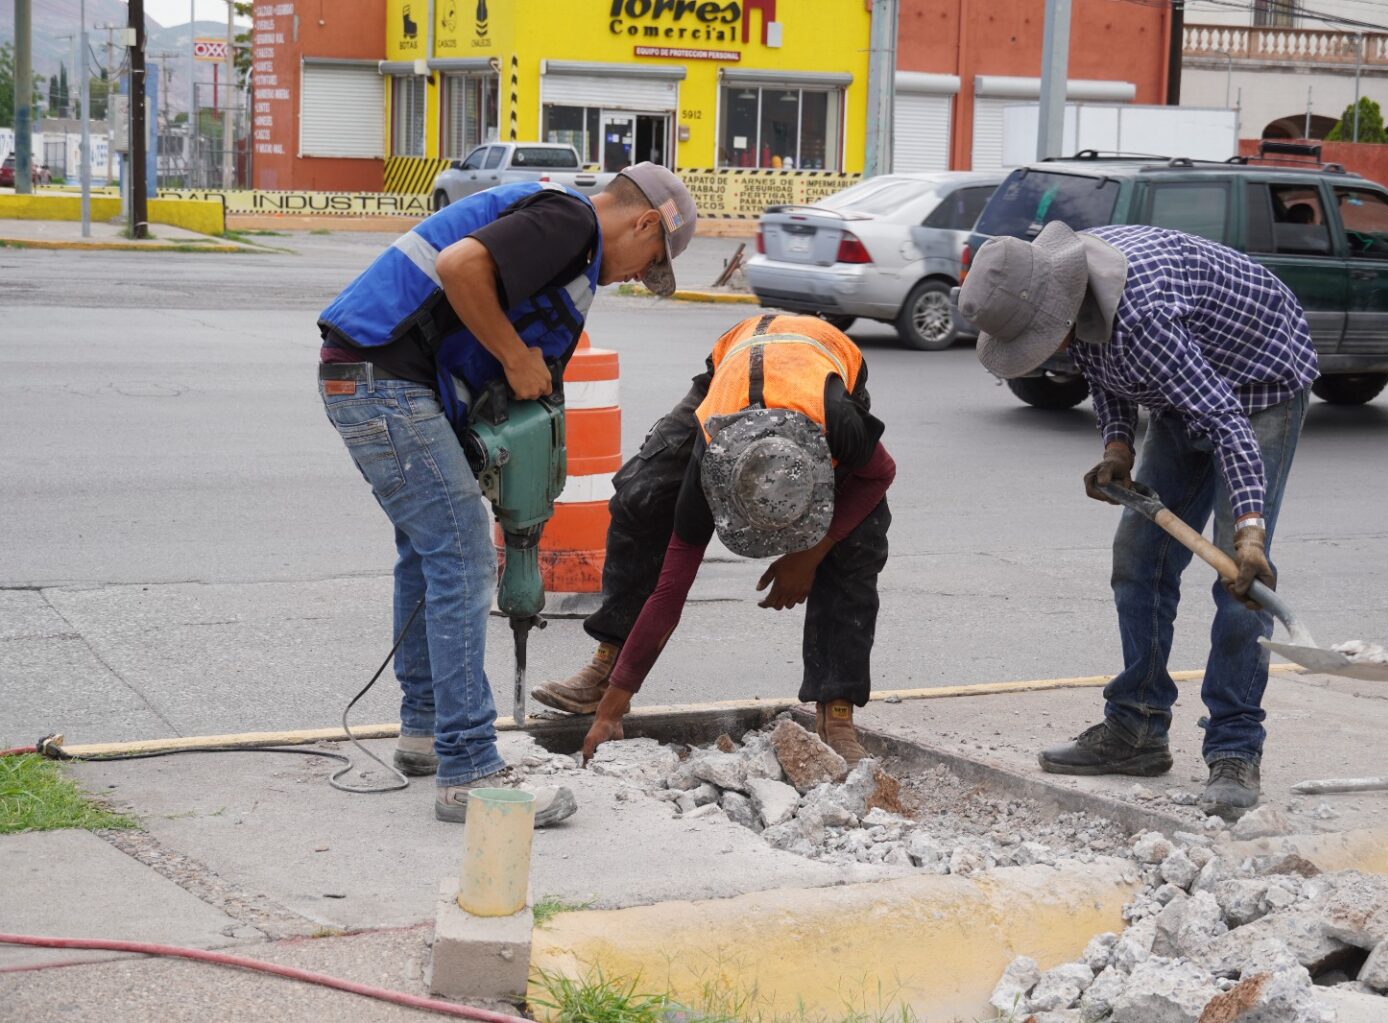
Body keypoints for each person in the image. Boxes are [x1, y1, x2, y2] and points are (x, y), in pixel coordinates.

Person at [315, 164, 697, 824]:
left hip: (370, 373)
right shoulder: (572, 222)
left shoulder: (555, 223)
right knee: (462, 556)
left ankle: (426, 731)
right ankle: (469, 769)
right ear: (642, 222)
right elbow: (463, 267)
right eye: (648, 261)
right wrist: (516, 355)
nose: (635, 275)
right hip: (384, 381)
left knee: (427, 550)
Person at [957, 222, 1319, 820]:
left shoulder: (1143, 318)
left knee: (1242, 584)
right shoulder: (1072, 285)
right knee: (1139, 557)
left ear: (1059, 308)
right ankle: (1137, 731)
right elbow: (1105, 371)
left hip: (1260, 384)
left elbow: (1226, 422)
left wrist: (1250, 531)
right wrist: (1118, 449)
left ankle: (1233, 747)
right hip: (1189, 384)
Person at [532, 314, 896, 765]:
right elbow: (671, 588)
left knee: (858, 540)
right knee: (642, 496)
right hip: (733, 368)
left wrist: (808, 555)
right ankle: (608, 666)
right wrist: (614, 707)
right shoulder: (712, 453)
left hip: (819, 370)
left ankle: (836, 711)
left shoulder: (838, 424)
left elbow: (881, 472)